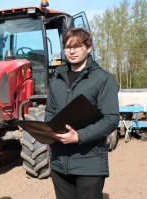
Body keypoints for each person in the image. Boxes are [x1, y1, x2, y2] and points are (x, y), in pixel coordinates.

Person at [45, 28, 119, 199]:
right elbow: (50, 111)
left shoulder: (103, 79)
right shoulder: (56, 79)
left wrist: (79, 136)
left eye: (77, 46)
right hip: (59, 163)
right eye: (68, 47)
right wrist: (50, 128)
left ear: (88, 47)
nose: (72, 51)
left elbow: (111, 119)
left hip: (89, 163)